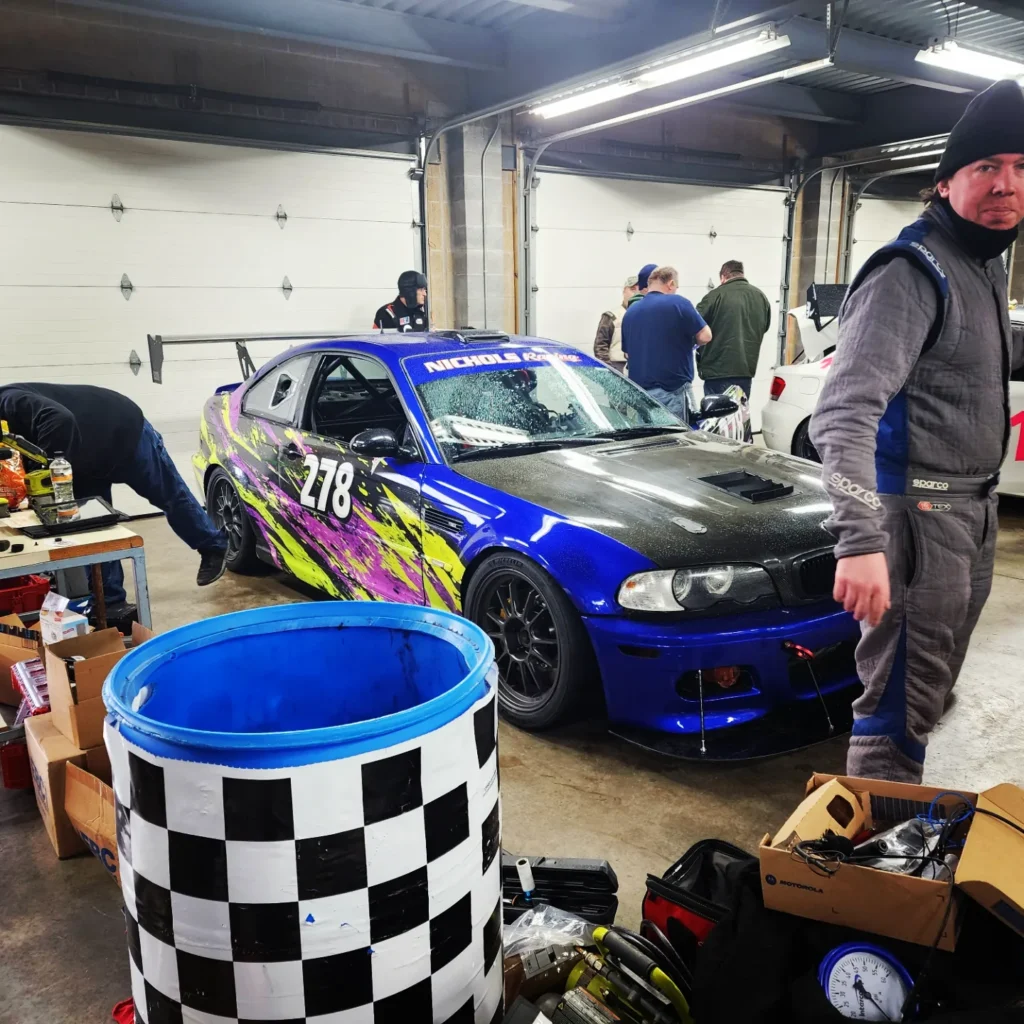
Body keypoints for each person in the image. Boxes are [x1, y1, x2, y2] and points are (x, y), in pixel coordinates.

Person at [810, 79, 1024, 784]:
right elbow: (842, 414)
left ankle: (896, 831)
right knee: (896, 710)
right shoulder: (911, 271)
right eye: (986, 166)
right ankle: (872, 847)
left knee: (930, 689)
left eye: (1021, 167)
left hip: (973, 514)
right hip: (917, 523)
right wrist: (860, 541)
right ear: (946, 182)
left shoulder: (984, 264)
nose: (1005, 183)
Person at [0, 383, 228, 611]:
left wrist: (45, 474)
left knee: (169, 495)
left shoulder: (10, 401)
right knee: (93, 529)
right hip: (85, 458)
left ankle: (213, 546)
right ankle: (110, 601)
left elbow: (60, 419)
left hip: (123, 432)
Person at [621, 265, 712, 418]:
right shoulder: (678, 303)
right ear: (671, 283)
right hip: (673, 391)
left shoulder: (630, 312)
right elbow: (705, 336)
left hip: (640, 394)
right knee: (681, 432)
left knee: (650, 433)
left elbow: (627, 354)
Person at [695, 260, 771, 401]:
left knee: (717, 413)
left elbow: (694, 325)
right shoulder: (761, 297)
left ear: (723, 277)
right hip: (745, 371)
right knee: (740, 412)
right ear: (741, 273)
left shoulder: (714, 296)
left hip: (717, 371)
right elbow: (764, 327)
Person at [594, 275, 639, 372]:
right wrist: (611, 372)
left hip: (640, 369)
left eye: (640, 290)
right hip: (617, 367)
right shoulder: (612, 316)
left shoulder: (648, 316)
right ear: (624, 291)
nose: (636, 293)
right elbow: (600, 348)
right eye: (632, 289)